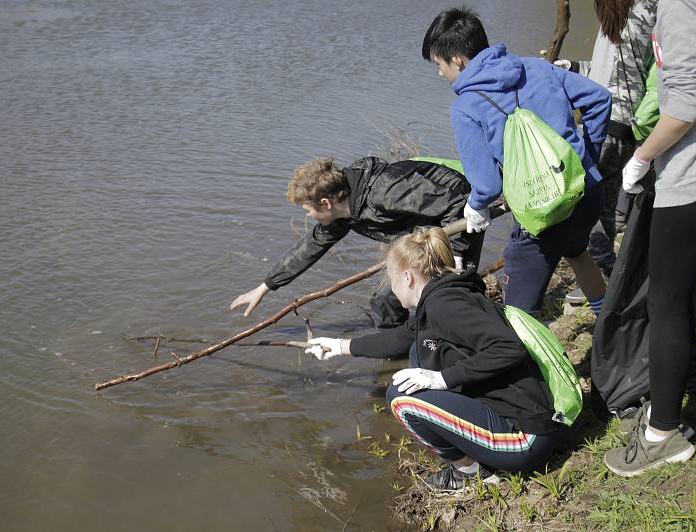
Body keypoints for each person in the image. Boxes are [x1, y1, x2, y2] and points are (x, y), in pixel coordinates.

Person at [306, 227, 561, 490]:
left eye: (391, 281)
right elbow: (399, 339)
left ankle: (469, 474)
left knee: (400, 399)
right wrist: (338, 345)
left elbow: (508, 348)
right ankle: (471, 456)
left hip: (525, 439)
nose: (392, 290)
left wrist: (441, 378)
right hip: (522, 421)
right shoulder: (442, 297)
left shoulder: (445, 306)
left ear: (407, 277)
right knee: (418, 350)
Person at [422, 7, 612, 316]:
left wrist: (475, 205)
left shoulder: (466, 107)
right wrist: (586, 158)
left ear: (458, 59)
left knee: (519, 313)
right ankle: (612, 332)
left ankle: (540, 361)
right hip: (586, 193)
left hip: (545, 212)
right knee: (577, 252)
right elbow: (600, 99)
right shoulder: (536, 68)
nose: (440, 73)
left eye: (439, 64)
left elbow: (487, 184)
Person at [604, 0, 696, 476]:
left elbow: (688, 104)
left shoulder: (680, 5)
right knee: (695, 286)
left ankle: (662, 434)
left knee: (667, 303)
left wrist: (641, 158)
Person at [230, 157, 483, 328]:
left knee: (448, 291)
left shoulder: (384, 192)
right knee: (385, 300)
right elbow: (310, 247)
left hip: (459, 221)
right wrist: (265, 286)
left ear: (327, 203)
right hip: (420, 229)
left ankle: (473, 331)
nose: (309, 216)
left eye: (308, 210)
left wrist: (456, 256)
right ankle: (397, 352)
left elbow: (455, 202)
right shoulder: (343, 213)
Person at [558, 0, 657, 286]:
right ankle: (609, 281)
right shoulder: (617, 21)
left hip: (604, 127)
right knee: (603, 208)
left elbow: (624, 77)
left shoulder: (638, 16)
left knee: (573, 206)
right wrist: (573, 67)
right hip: (621, 128)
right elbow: (609, 73)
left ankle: (604, 278)